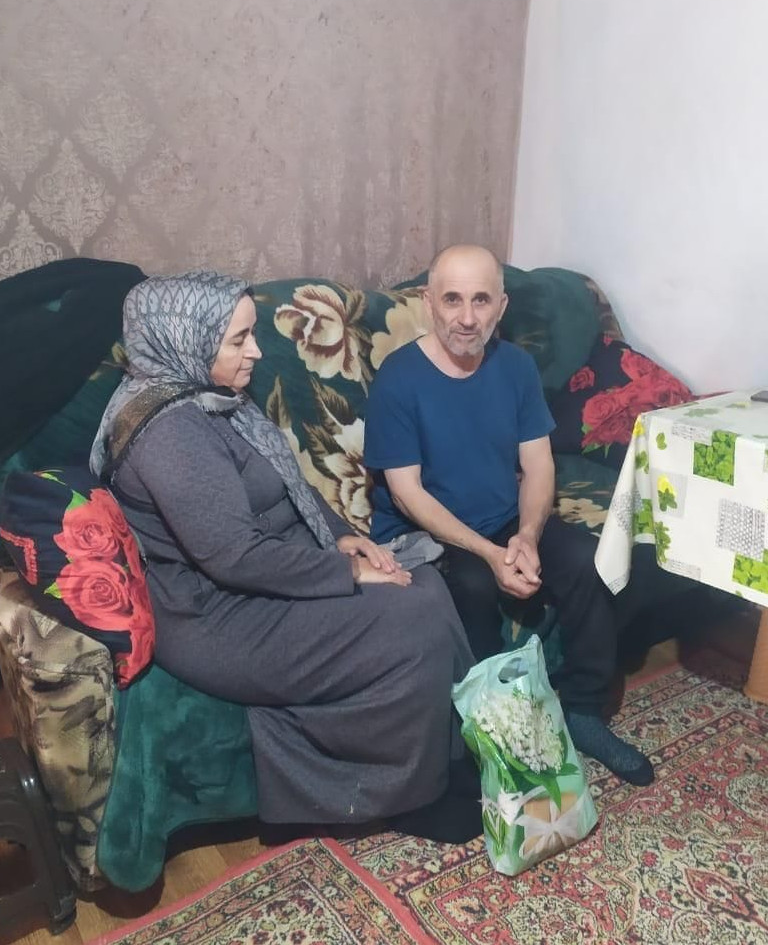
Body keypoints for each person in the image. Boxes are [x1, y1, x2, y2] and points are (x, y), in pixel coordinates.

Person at [90, 270, 480, 843]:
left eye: (251, 334)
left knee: (426, 584)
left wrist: (340, 535)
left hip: (261, 578)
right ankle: (406, 797)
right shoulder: (170, 432)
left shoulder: (209, 396)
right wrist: (348, 571)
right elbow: (235, 557)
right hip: (217, 616)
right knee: (412, 616)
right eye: (238, 339)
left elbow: (285, 482)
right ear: (187, 340)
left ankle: (451, 758)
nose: (256, 351)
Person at [364, 244, 656, 787]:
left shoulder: (516, 367)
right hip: (427, 533)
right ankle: (493, 730)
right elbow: (406, 495)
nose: (466, 317)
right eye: (452, 299)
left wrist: (526, 534)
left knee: (588, 560)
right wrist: (489, 554)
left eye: (481, 300)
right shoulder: (398, 378)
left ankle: (583, 711)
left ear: (501, 306)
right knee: (474, 585)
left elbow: (539, 464)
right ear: (429, 303)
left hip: (502, 519)